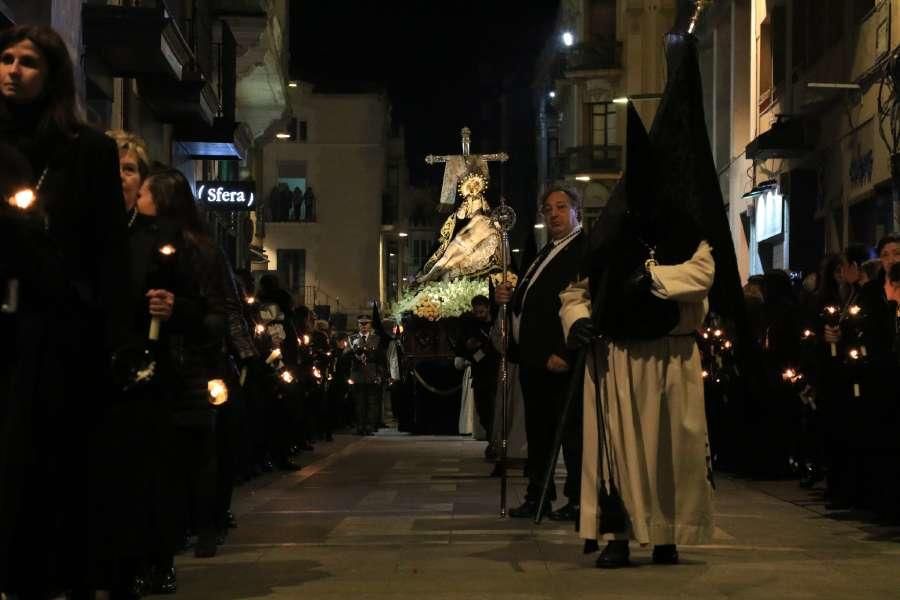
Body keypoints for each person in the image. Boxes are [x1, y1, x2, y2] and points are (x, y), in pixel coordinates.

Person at [561, 34, 745, 568]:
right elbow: (576, 288)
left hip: (671, 355)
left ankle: (666, 534)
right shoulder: (607, 232)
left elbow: (704, 270)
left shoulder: (684, 227)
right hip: (617, 359)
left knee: (671, 452)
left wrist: (650, 279)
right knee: (620, 452)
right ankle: (618, 538)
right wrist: (577, 322)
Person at [0, 25, 134, 598]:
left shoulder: (89, 151)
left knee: (49, 461)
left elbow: (108, 252)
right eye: (4, 59)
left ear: (51, 74)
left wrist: (116, 340)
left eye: (27, 61)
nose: (11, 70)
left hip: (56, 332)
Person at [493, 186, 587, 521]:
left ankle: (578, 499)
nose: (554, 215)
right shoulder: (546, 250)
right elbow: (531, 297)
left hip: (559, 360)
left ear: (576, 211)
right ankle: (539, 494)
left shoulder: (582, 249)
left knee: (570, 434)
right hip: (534, 360)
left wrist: (565, 351)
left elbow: (583, 303)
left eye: (562, 207)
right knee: (540, 434)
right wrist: (510, 296)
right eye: (548, 210)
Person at [347, 315, 385, 435]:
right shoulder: (352, 339)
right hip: (357, 374)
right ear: (358, 325)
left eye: (366, 323)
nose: (364, 326)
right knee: (359, 402)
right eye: (361, 324)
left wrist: (380, 374)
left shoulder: (376, 339)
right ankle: (360, 426)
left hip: (371, 374)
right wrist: (353, 353)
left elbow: (380, 359)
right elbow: (346, 356)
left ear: (370, 325)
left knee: (371, 402)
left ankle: (369, 426)